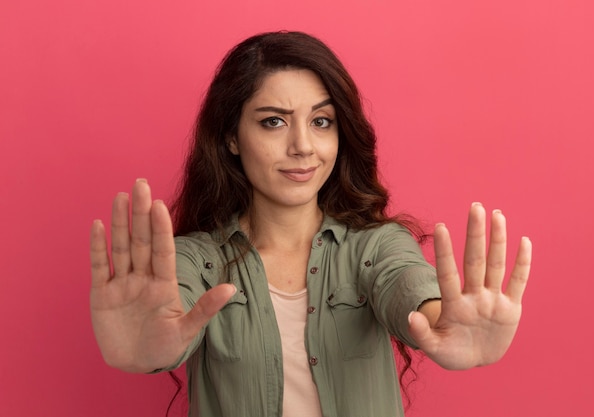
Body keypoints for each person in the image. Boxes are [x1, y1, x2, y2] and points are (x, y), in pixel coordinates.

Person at [89, 31, 532, 417]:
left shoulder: (375, 246)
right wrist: (148, 349)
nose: (303, 146)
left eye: (321, 121)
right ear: (231, 138)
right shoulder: (195, 260)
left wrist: (445, 322)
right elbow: (169, 315)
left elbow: (408, 284)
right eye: (274, 122)